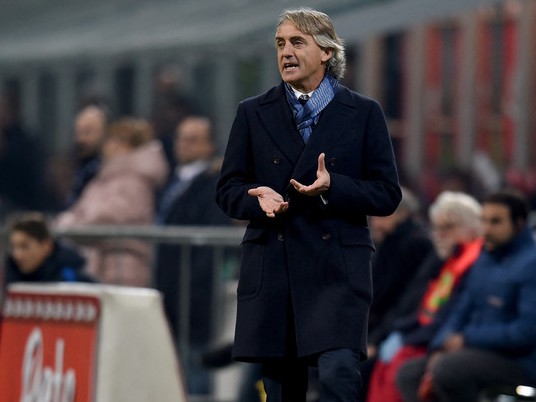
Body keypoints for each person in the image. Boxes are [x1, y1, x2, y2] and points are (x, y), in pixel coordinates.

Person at [215, 7, 401, 402]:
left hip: (338, 272)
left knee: (338, 375)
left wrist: (335, 187)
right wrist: (256, 199)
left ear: (327, 52)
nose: (286, 52)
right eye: (280, 44)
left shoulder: (364, 113)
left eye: (298, 42)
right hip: (275, 267)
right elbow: (228, 189)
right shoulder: (252, 112)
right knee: (282, 390)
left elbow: (387, 193)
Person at [395, 190, 536, 402]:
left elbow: (527, 332)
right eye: (484, 221)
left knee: (449, 370)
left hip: (524, 361)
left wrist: (467, 338)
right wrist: (441, 345)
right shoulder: (486, 257)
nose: (486, 229)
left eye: (495, 222)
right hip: (479, 351)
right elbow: (461, 308)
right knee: (410, 374)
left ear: (519, 223)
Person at [366, 191, 483, 402]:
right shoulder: (447, 260)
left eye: (448, 227)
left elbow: (452, 312)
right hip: (423, 332)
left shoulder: (472, 261)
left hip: (446, 339)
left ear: (472, 227)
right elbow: (420, 303)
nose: (439, 234)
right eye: (437, 228)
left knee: (403, 370)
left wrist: (404, 336)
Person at [154, 116, 231, 394]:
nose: (184, 145)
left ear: (210, 145)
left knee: (195, 370)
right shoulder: (172, 181)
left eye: (193, 140)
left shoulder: (214, 183)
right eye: (181, 138)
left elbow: (212, 241)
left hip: (195, 296)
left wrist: (194, 285)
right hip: (169, 291)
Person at [55, 117, 168, 287]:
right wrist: (70, 222)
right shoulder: (104, 177)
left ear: (132, 146)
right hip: (101, 265)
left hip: (125, 267)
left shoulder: (135, 180)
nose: (109, 145)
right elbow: (79, 210)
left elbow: (106, 217)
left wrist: (70, 225)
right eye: (110, 139)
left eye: (118, 141)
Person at [368, 186, 433, 338]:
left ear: (403, 215)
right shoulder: (386, 241)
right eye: (373, 217)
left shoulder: (416, 244)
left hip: (398, 328)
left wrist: (375, 339)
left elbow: (406, 298)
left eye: (382, 217)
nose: (375, 224)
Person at [3, 211, 95, 286]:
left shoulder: (76, 280)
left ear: (47, 246)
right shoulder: (8, 278)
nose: (17, 255)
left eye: (24, 246)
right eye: (13, 247)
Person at [64, 104, 110, 209]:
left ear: (105, 133)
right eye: (78, 132)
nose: (81, 139)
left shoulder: (109, 170)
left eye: (88, 132)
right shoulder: (77, 166)